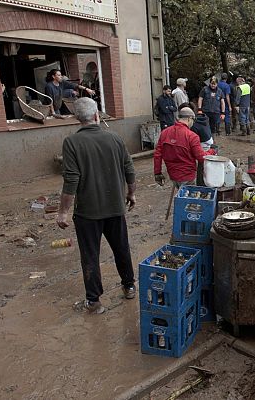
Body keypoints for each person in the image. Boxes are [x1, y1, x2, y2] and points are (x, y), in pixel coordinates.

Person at [56, 97, 136, 315]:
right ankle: (129, 286)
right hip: (115, 208)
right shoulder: (115, 138)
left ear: (76, 119)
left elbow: (71, 179)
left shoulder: (71, 143)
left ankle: (94, 301)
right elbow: (129, 169)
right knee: (121, 248)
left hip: (87, 213)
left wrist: (63, 212)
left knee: (90, 255)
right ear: (96, 116)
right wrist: (131, 194)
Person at [153, 107, 205, 188]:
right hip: (188, 176)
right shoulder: (191, 136)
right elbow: (201, 158)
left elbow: (157, 155)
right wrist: (211, 152)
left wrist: (157, 173)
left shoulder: (165, 133)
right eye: (193, 121)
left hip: (173, 176)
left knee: (181, 196)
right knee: (189, 199)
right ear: (189, 119)